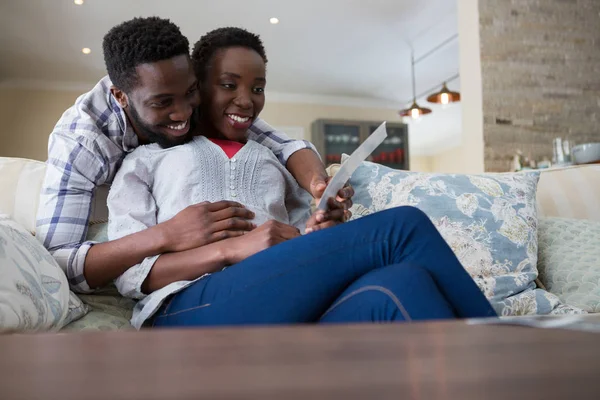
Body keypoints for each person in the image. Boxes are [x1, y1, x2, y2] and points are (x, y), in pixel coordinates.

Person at [108, 27, 497, 329]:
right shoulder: (147, 161)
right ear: (196, 89)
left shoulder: (273, 159)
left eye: (257, 88)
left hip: (281, 307)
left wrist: (319, 229)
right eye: (228, 85)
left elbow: (300, 246)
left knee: (405, 282)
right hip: (189, 308)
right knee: (401, 227)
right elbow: (130, 275)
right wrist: (230, 250)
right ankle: (512, 347)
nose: (246, 99)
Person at [35, 17, 350, 295]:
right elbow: (59, 262)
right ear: (121, 97)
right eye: (163, 103)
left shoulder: (188, 92)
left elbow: (285, 146)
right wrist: (167, 234)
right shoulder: (82, 142)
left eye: (190, 94)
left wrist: (319, 186)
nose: (185, 113)